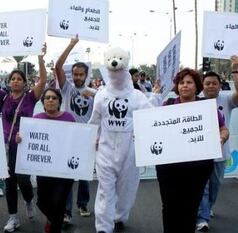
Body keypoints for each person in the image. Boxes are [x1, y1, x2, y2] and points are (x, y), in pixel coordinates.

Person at [89, 54, 161, 233]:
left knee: (126, 189)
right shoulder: (101, 95)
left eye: (119, 70)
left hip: (130, 150)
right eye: (112, 70)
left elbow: (149, 116)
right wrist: (90, 140)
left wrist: (157, 96)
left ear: (125, 70)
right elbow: (94, 121)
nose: (116, 73)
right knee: (105, 190)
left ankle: (119, 216)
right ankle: (103, 227)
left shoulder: (136, 96)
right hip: (105, 150)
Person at [0, 43, 47, 232]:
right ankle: (13, 217)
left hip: (23, 145)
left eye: (19, 79)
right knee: (9, 181)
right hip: (6, 146)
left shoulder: (31, 98)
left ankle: (28, 200)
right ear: (9, 82)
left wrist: (41, 57)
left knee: (23, 180)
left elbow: (42, 80)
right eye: (13, 79)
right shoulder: (3, 97)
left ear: (25, 83)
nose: (16, 81)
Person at [156, 68, 229, 233]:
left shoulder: (207, 107)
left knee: (191, 206)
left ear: (196, 86)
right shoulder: (166, 106)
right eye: (181, 83)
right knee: (169, 206)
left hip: (198, 167)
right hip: (169, 168)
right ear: (177, 86)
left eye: (189, 82)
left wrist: (221, 138)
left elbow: (223, 129)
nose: (185, 86)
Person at [16, 88, 75, 233]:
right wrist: (20, 139)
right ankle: (53, 220)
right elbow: (28, 140)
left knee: (59, 203)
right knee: (42, 202)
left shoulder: (69, 118)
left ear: (59, 101)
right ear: (43, 102)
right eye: (47, 98)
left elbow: (77, 140)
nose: (50, 100)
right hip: (44, 170)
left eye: (54, 98)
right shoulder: (36, 119)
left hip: (64, 172)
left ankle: (54, 228)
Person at [54, 35, 95, 223]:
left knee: (84, 173)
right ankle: (66, 211)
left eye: (81, 74)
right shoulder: (66, 89)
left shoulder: (95, 94)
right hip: (67, 136)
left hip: (85, 137)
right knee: (68, 174)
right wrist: (71, 45)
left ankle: (83, 203)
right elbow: (57, 67)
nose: (78, 77)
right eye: (76, 74)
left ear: (86, 76)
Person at [196, 66, 238, 231]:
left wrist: (235, 70)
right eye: (207, 83)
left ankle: (207, 208)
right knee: (202, 188)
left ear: (220, 86)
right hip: (199, 153)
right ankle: (202, 218)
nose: (211, 86)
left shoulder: (227, 100)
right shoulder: (195, 101)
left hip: (220, 153)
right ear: (202, 85)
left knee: (215, 185)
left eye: (214, 83)